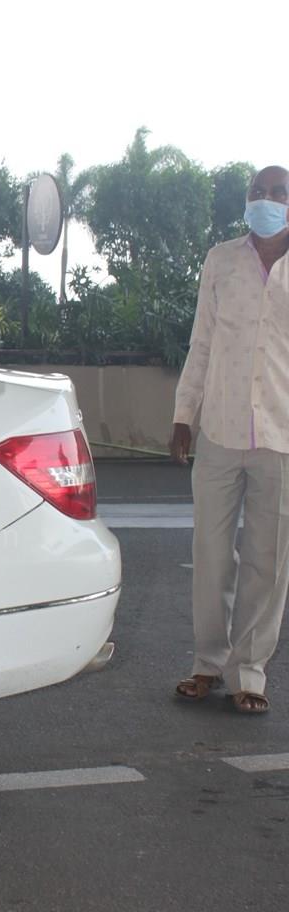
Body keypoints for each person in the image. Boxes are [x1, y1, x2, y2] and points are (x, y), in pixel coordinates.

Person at [171, 165, 289, 716]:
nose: (266, 200)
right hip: (219, 428)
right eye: (257, 192)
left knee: (269, 561)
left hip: (281, 437)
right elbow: (201, 342)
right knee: (212, 554)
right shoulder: (221, 260)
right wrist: (184, 415)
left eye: (278, 193)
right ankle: (207, 662)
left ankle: (249, 674)